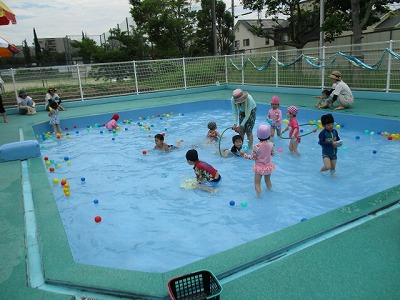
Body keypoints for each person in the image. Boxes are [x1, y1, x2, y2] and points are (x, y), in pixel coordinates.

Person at [242, 124, 275, 198]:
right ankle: (271, 192)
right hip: (268, 167)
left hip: (259, 168)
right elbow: (272, 154)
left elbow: (252, 157)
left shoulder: (256, 147)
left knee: (257, 184)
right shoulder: (271, 144)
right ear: (268, 135)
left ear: (258, 135)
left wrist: (244, 154)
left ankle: (259, 197)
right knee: (268, 181)